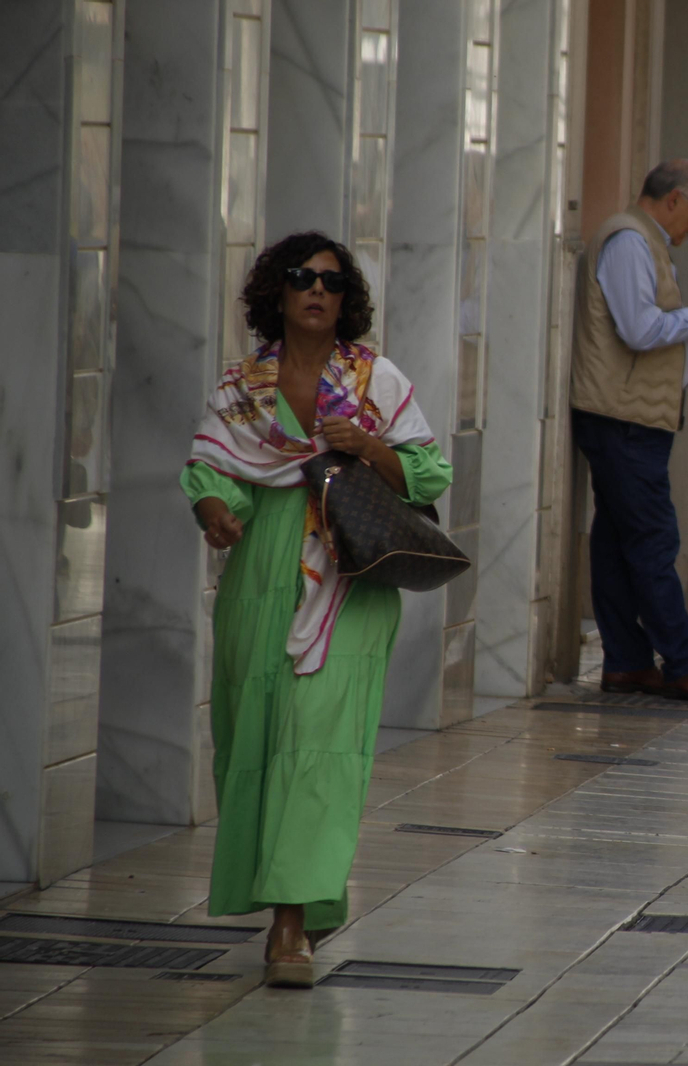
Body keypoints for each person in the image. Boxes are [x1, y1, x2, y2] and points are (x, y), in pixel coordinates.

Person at [182, 232, 454, 989]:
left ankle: (292, 924)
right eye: (303, 277)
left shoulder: (376, 381)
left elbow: (428, 474)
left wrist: (367, 447)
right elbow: (211, 467)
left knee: (320, 745)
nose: (317, 291)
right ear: (277, 290)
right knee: (256, 736)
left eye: (332, 282)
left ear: (347, 299)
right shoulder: (242, 386)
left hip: (347, 581)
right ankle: (291, 900)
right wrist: (213, 508)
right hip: (260, 577)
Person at [570, 159, 688, 702]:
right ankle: (685, 663)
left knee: (617, 542)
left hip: (629, 417)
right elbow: (640, 329)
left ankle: (627, 662)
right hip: (624, 419)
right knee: (652, 540)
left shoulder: (643, 241)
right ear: (673, 200)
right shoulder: (629, 240)